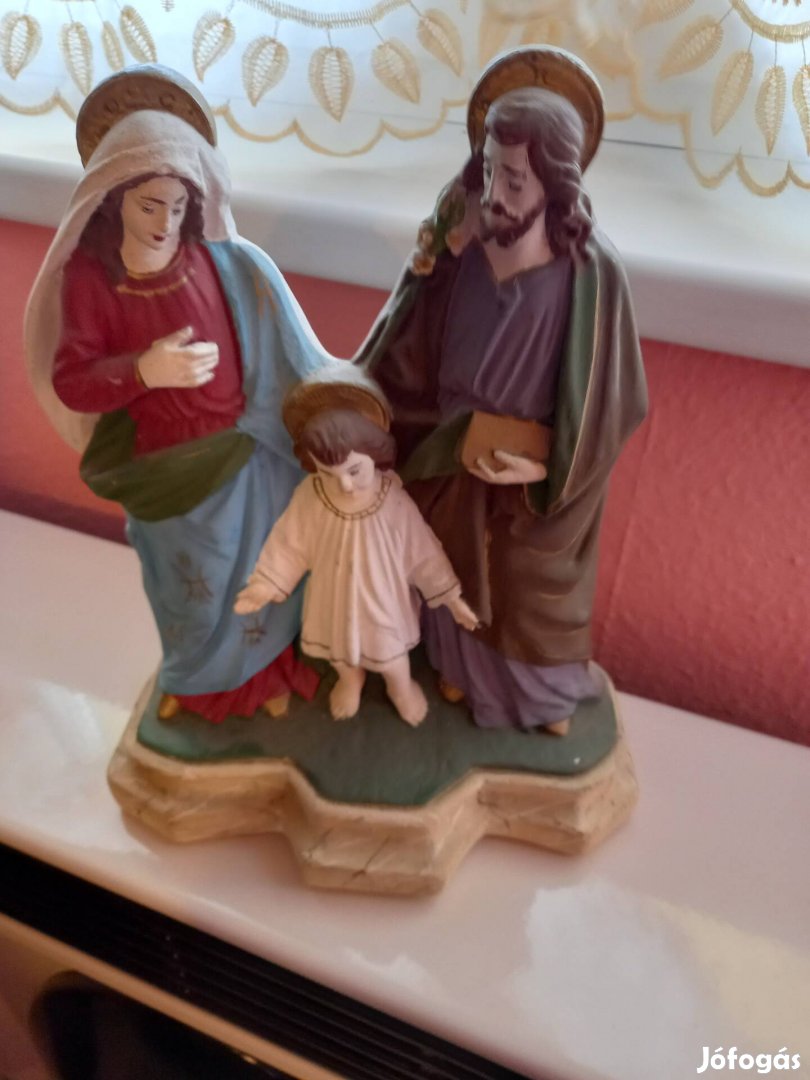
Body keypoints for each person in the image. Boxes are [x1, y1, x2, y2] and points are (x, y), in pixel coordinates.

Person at [25, 67, 335, 724]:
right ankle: (204, 691)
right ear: (115, 198)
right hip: (166, 472)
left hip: (247, 456)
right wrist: (144, 370)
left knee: (263, 576)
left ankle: (268, 674)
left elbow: (288, 345)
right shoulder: (92, 277)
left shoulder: (221, 261)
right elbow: (72, 380)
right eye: (148, 206)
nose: (164, 221)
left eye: (175, 205)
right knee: (196, 593)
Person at [359, 48, 648, 734]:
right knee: (441, 560)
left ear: (554, 182)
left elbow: (616, 403)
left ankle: (537, 700)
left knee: (520, 578)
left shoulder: (591, 274)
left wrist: (546, 463)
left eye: (514, 180)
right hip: (448, 442)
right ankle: (453, 672)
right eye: (489, 170)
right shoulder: (460, 244)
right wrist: (434, 261)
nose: (496, 193)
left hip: (531, 466)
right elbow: (402, 339)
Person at [235, 404, 479, 726]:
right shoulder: (311, 496)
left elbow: (422, 551)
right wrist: (265, 584)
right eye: (329, 474)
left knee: (391, 657)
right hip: (333, 597)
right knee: (340, 654)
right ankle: (351, 681)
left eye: (354, 471)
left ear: (373, 456)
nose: (345, 486)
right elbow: (289, 543)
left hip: (382, 599)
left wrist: (451, 598)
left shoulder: (392, 498)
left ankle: (400, 689)